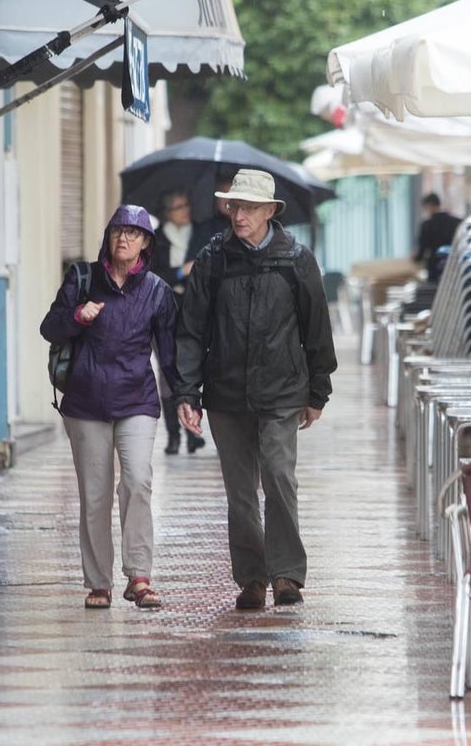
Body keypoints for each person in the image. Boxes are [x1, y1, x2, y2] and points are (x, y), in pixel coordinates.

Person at [173, 169, 338, 610]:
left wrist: (317, 391)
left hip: (282, 390)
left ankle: (286, 574)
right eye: (233, 206)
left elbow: (317, 328)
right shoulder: (213, 259)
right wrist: (187, 392)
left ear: (269, 211)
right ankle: (251, 577)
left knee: (279, 477)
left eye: (247, 207)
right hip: (226, 393)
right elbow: (191, 329)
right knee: (240, 491)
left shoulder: (296, 259)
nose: (238, 215)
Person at [40, 204, 176, 610]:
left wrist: (187, 398)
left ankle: (139, 576)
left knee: (138, 481)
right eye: (118, 230)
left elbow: (169, 353)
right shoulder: (83, 278)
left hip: (137, 400)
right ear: (108, 236)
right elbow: (50, 328)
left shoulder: (157, 291)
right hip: (85, 401)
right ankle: (99, 583)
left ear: (146, 243)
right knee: (95, 495)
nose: (123, 238)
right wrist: (77, 316)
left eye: (133, 233)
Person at [151, 190, 209, 455]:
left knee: (189, 371)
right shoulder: (155, 240)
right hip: (164, 314)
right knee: (167, 373)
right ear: (167, 213)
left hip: (193, 312)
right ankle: (174, 435)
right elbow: (152, 276)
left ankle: (193, 432)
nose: (184, 210)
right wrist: (180, 272)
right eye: (177, 207)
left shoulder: (201, 235)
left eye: (186, 205)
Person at [414, 192, 462, 282]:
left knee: (435, 289)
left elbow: (422, 248)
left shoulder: (427, 225)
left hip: (434, 266)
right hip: (453, 264)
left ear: (429, 205)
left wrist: (416, 259)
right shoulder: (456, 222)